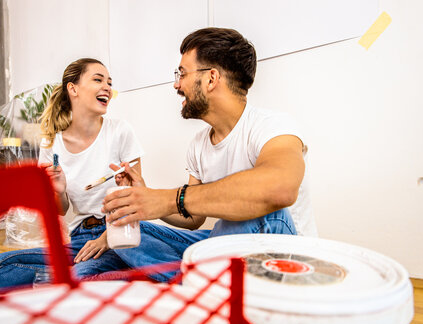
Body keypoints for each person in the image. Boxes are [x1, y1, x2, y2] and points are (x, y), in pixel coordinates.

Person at [102, 28, 317, 279]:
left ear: (211, 78)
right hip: (227, 243)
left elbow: (280, 188)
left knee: (263, 211)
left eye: (181, 73)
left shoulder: (273, 126)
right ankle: (196, 275)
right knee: (133, 230)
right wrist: (145, 196)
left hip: (284, 252)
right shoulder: (199, 144)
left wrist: (168, 199)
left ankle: (191, 275)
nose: (176, 84)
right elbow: (193, 216)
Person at [0, 58, 144, 290]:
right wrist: (59, 191)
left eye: (109, 82)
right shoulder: (52, 144)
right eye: (98, 79)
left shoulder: (120, 131)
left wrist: (108, 236)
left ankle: (80, 275)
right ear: (72, 88)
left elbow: (141, 196)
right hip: (79, 238)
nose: (107, 87)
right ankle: (82, 275)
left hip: (116, 233)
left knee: (82, 276)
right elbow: (60, 209)